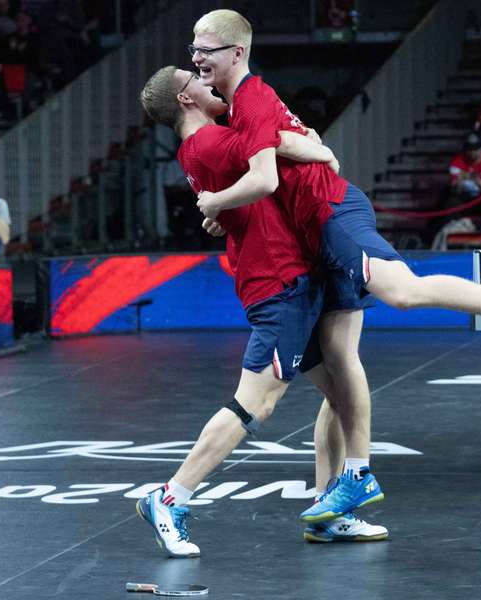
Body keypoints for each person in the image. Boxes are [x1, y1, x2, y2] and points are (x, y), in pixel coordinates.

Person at [135, 8, 481, 557]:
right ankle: (291, 501)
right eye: (192, 67)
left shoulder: (249, 104)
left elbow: (270, 160)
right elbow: (275, 158)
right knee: (324, 386)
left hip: (323, 224)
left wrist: (240, 188)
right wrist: (303, 152)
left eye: (202, 55)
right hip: (290, 270)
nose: (197, 63)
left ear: (233, 55)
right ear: (188, 100)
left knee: (390, 307)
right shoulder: (216, 135)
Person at [139, 66, 387, 554]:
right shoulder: (209, 142)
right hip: (277, 286)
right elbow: (275, 147)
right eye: (194, 76)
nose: (207, 77)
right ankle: (170, 496)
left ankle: (328, 510)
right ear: (185, 99)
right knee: (257, 402)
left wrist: (220, 212)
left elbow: (236, 192)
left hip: (297, 274)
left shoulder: (201, 148)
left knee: (340, 393)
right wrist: (322, 148)